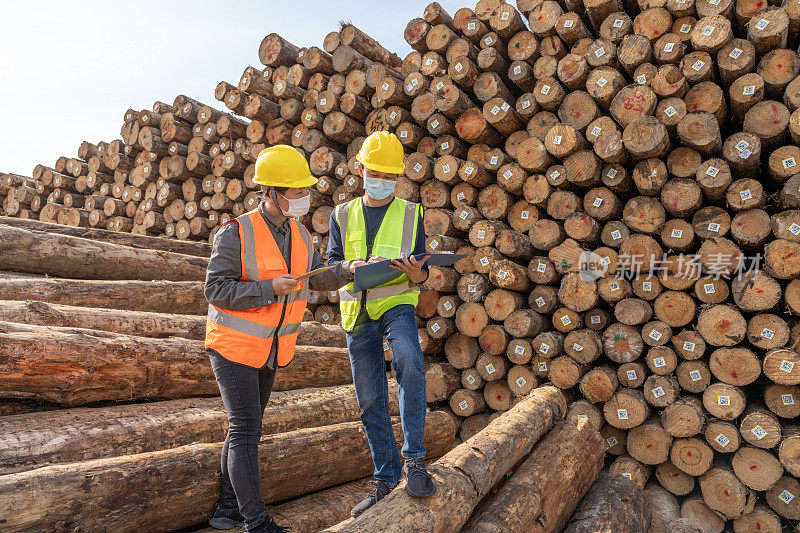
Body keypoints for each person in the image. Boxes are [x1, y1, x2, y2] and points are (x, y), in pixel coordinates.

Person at [204, 145, 351, 533]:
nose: (304, 198)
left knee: (242, 428)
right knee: (246, 431)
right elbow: (215, 290)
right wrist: (269, 288)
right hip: (234, 346)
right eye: (296, 191)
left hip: (270, 349)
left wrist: (349, 270)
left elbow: (315, 278)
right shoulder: (235, 232)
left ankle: (227, 510)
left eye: (306, 191)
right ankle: (257, 522)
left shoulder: (301, 235)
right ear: (270, 193)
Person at [327, 131, 434, 518]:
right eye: (377, 173)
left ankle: (415, 461)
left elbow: (422, 274)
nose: (383, 181)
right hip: (357, 312)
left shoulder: (412, 213)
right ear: (360, 169)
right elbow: (330, 267)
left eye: (391, 175)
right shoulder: (340, 214)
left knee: (408, 356)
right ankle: (385, 479)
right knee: (370, 398)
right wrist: (349, 268)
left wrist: (417, 274)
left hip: (397, 303)